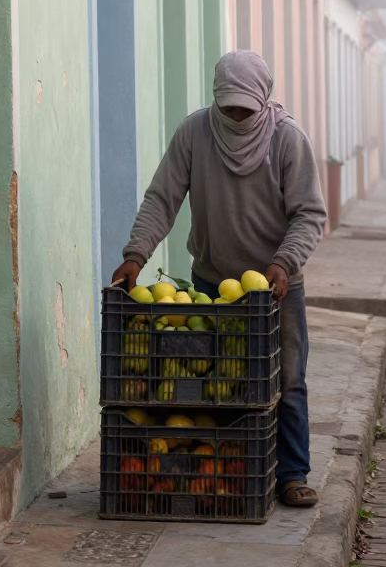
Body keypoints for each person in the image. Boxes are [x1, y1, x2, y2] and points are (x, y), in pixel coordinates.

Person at [110, 50, 327, 508]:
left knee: (287, 381)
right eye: (227, 107)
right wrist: (136, 255)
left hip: (276, 289)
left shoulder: (287, 140)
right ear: (216, 98)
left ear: (263, 101)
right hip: (209, 287)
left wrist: (284, 263)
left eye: (245, 109)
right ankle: (229, 471)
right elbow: (161, 200)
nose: (235, 116)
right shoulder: (194, 133)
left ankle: (291, 473)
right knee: (218, 387)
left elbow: (309, 215)